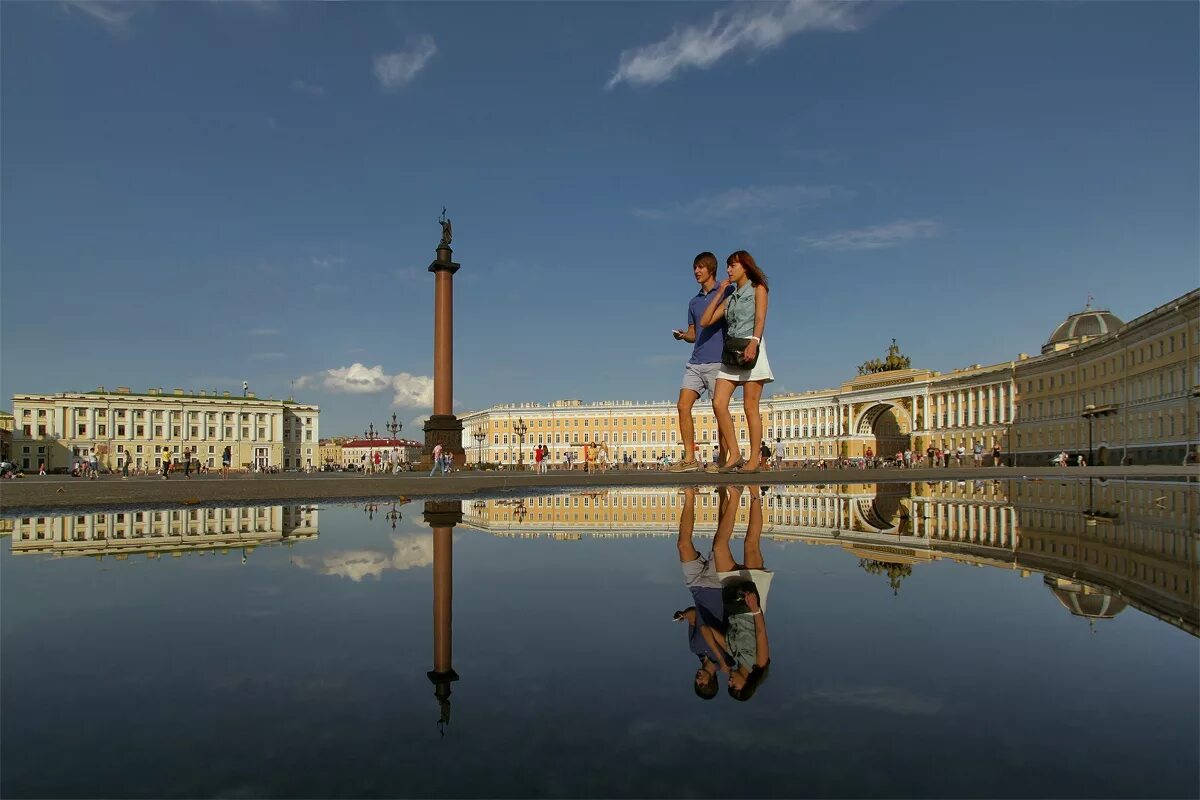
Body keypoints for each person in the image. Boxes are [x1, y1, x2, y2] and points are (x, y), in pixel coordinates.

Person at [701, 251, 773, 474]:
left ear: (745, 266)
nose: (728, 270)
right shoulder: (730, 297)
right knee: (718, 402)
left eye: (732, 266)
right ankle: (735, 454)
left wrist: (754, 342)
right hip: (731, 354)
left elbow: (760, 318)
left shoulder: (758, 288)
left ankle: (753, 460)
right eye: (727, 267)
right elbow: (705, 321)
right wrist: (721, 291)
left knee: (750, 407)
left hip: (752, 348)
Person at [707, 485, 772, 701]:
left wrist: (721, 659)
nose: (730, 682)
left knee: (718, 547)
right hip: (752, 602)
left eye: (728, 685)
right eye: (734, 686)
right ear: (745, 686)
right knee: (751, 544)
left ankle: (735, 495)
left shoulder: (733, 654)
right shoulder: (759, 664)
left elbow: (706, 629)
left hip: (733, 598)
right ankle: (754, 493)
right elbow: (761, 635)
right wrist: (755, 609)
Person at [671, 252, 733, 474]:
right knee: (682, 405)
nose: (696, 272)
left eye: (700, 267)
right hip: (696, 362)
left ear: (711, 269)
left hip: (719, 362)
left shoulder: (727, 291)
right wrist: (682, 335)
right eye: (694, 268)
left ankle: (723, 459)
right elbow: (693, 334)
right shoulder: (693, 302)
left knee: (720, 410)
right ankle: (690, 458)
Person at [673, 486, 732, 699]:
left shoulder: (694, 648)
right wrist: (721, 661)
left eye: (696, 682)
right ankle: (725, 494)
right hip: (717, 587)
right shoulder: (728, 657)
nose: (698, 678)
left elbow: (694, 616)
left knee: (682, 544)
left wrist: (682, 615)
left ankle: (690, 495)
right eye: (702, 683)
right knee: (719, 542)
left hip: (696, 587)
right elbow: (708, 628)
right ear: (712, 681)